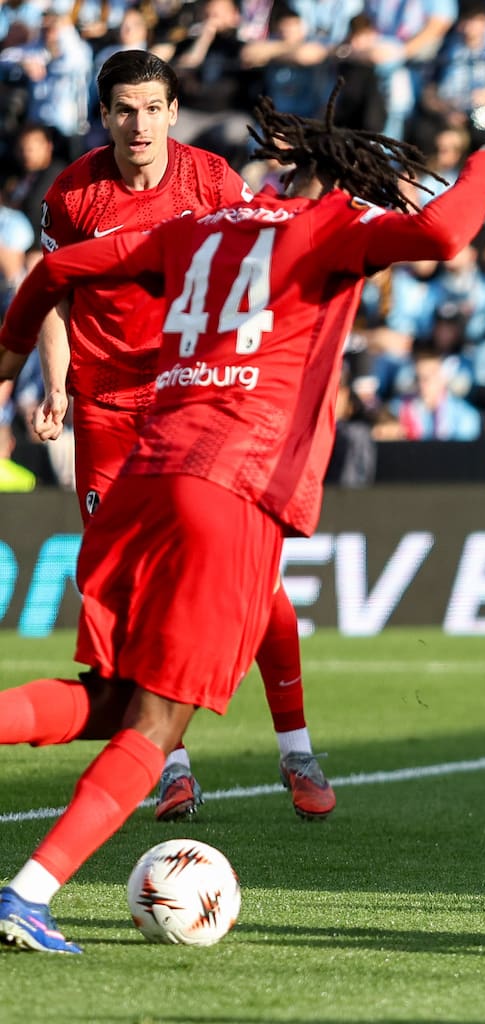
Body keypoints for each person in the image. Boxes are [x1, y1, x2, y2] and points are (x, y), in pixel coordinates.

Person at [0, 91, 485, 954]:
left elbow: (56, 273)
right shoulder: (328, 227)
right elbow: (442, 233)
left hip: (142, 475)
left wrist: (9, 356)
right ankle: (27, 895)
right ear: (347, 183)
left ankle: (30, 890)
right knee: (158, 725)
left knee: (112, 700)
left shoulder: (194, 228)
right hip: (233, 486)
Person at [33, 49, 336, 825]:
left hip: (193, 404)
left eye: (152, 109)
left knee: (255, 587)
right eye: (123, 109)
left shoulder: (211, 182)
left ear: (172, 112)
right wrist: (56, 385)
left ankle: (297, 749)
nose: (138, 124)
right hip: (106, 408)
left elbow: (260, 259)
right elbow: (55, 293)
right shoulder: (72, 194)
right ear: (104, 116)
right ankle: (170, 765)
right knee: (132, 596)